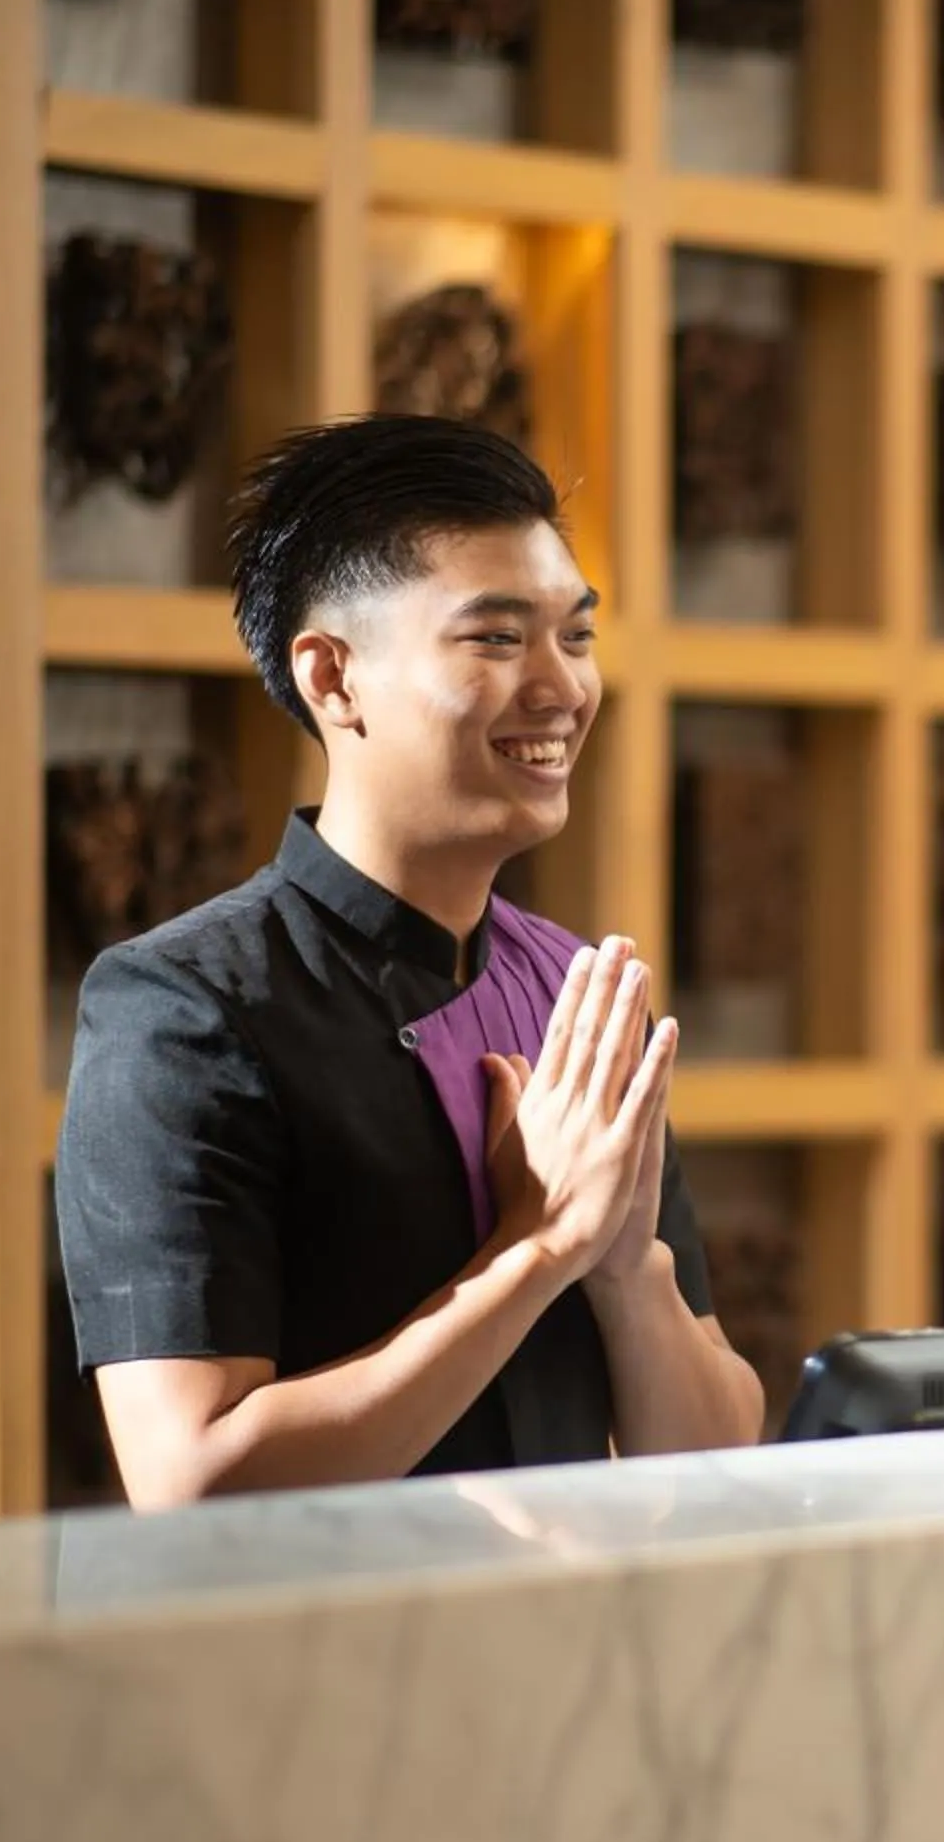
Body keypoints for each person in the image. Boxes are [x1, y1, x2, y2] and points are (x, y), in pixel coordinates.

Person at [56, 414, 762, 1507]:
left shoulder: (574, 992)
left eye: (574, 635)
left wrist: (625, 1273)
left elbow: (715, 1457)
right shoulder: (184, 1010)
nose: (562, 687)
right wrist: (534, 1254)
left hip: (567, 1656)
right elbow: (191, 1479)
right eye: (494, 638)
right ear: (333, 678)